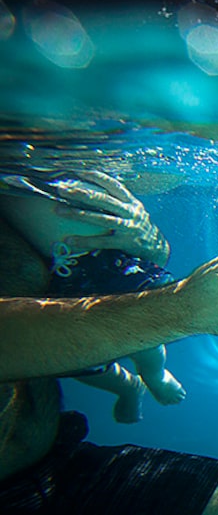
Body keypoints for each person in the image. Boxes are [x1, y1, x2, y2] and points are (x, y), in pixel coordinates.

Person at [0, 172, 218, 514]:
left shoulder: (27, 185)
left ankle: (142, 379)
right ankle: (133, 384)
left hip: (56, 465)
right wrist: (184, 310)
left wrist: (144, 241)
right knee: (101, 366)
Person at [0, 170, 185, 424]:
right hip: (60, 273)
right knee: (75, 359)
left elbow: (163, 175)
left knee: (144, 328)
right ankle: (127, 386)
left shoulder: (78, 155)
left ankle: (154, 375)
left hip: (108, 258)